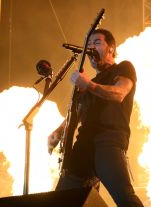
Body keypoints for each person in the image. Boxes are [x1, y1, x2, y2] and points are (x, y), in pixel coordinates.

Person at [47, 28, 144, 207]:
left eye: (97, 43)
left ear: (111, 49)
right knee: (61, 201)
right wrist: (59, 131)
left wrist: (88, 85)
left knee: (125, 198)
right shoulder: (87, 84)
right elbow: (76, 112)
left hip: (108, 141)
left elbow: (119, 93)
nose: (91, 48)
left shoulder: (123, 68)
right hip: (83, 144)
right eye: (88, 45)